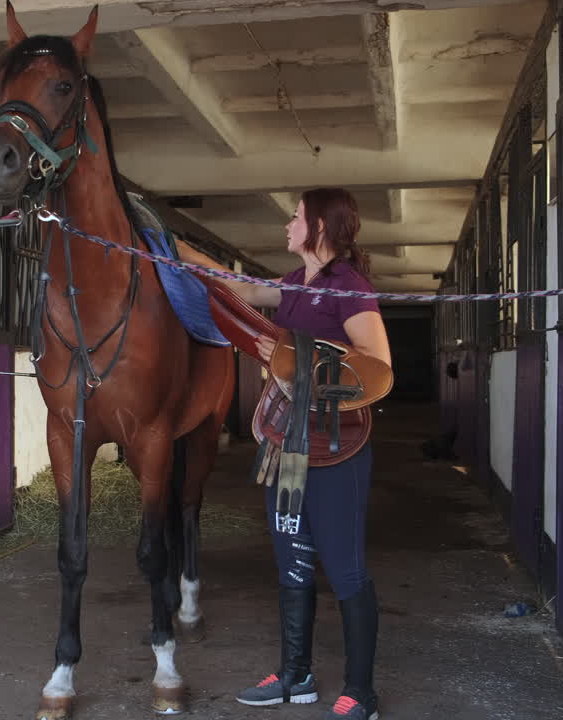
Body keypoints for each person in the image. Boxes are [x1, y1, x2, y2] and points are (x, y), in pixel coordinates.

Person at [178, 188, 391, 720]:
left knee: (345, 569)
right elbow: (234, 286)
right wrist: (167, 246)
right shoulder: (296, 284)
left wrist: (303, 360)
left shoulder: (349, 288)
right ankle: (295, 675)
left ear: (320, 227)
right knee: (292, 561)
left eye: (296, 217)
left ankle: (361, 691)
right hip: (289, 443)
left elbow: (379, 366)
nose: (288, 225)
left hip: (338, 446)